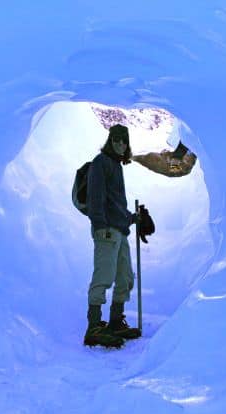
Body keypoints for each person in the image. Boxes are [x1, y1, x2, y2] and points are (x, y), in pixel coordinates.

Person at [84, 124, 143, 348]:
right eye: (116, 139)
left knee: (125, 277)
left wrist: (133, 218)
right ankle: (94, 327)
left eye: (124, 140)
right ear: (110, 141)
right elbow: (95, 197)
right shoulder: (101, 163)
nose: (120, 143)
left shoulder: (116, 166)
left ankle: (115, 322)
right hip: (106, 231)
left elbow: (115, 205)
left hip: (120, 231)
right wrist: (99, 225)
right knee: (104, 277)